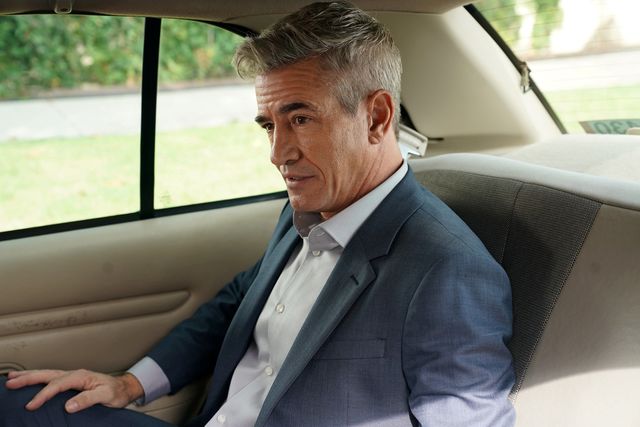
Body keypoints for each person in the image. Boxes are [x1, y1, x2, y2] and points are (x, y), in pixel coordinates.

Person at [0, 2, 516, 426]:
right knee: (14, 398)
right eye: (270, 125)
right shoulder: (306, 209)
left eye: (300, 119)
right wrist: (130, 384)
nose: (278, 154)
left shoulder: (447, 270)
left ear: (377, 117)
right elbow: (237, 303)